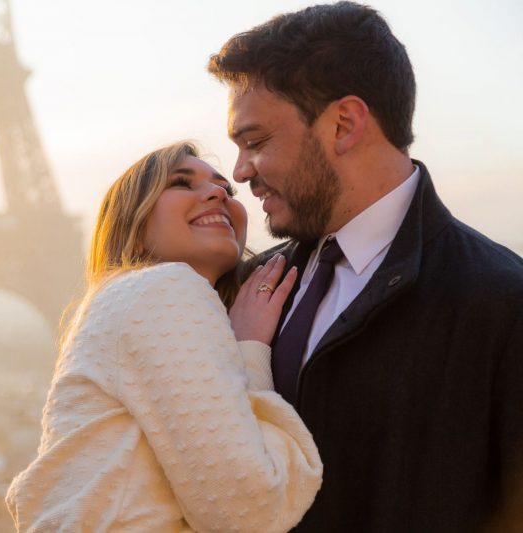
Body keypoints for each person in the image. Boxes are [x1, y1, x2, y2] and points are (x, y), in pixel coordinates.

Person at [207, 2, 523, 531]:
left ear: (345, 124)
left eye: (256, 142)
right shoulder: (240, 289)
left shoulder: (503, 303)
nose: (240, 173)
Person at [5, 142, 323, 532]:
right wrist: (251, 349)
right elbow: (251, 509)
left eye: (228, 189)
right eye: (180, 182)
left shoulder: (123, 303)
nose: (218, 193)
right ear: (134, 230)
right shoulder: (162, 288)